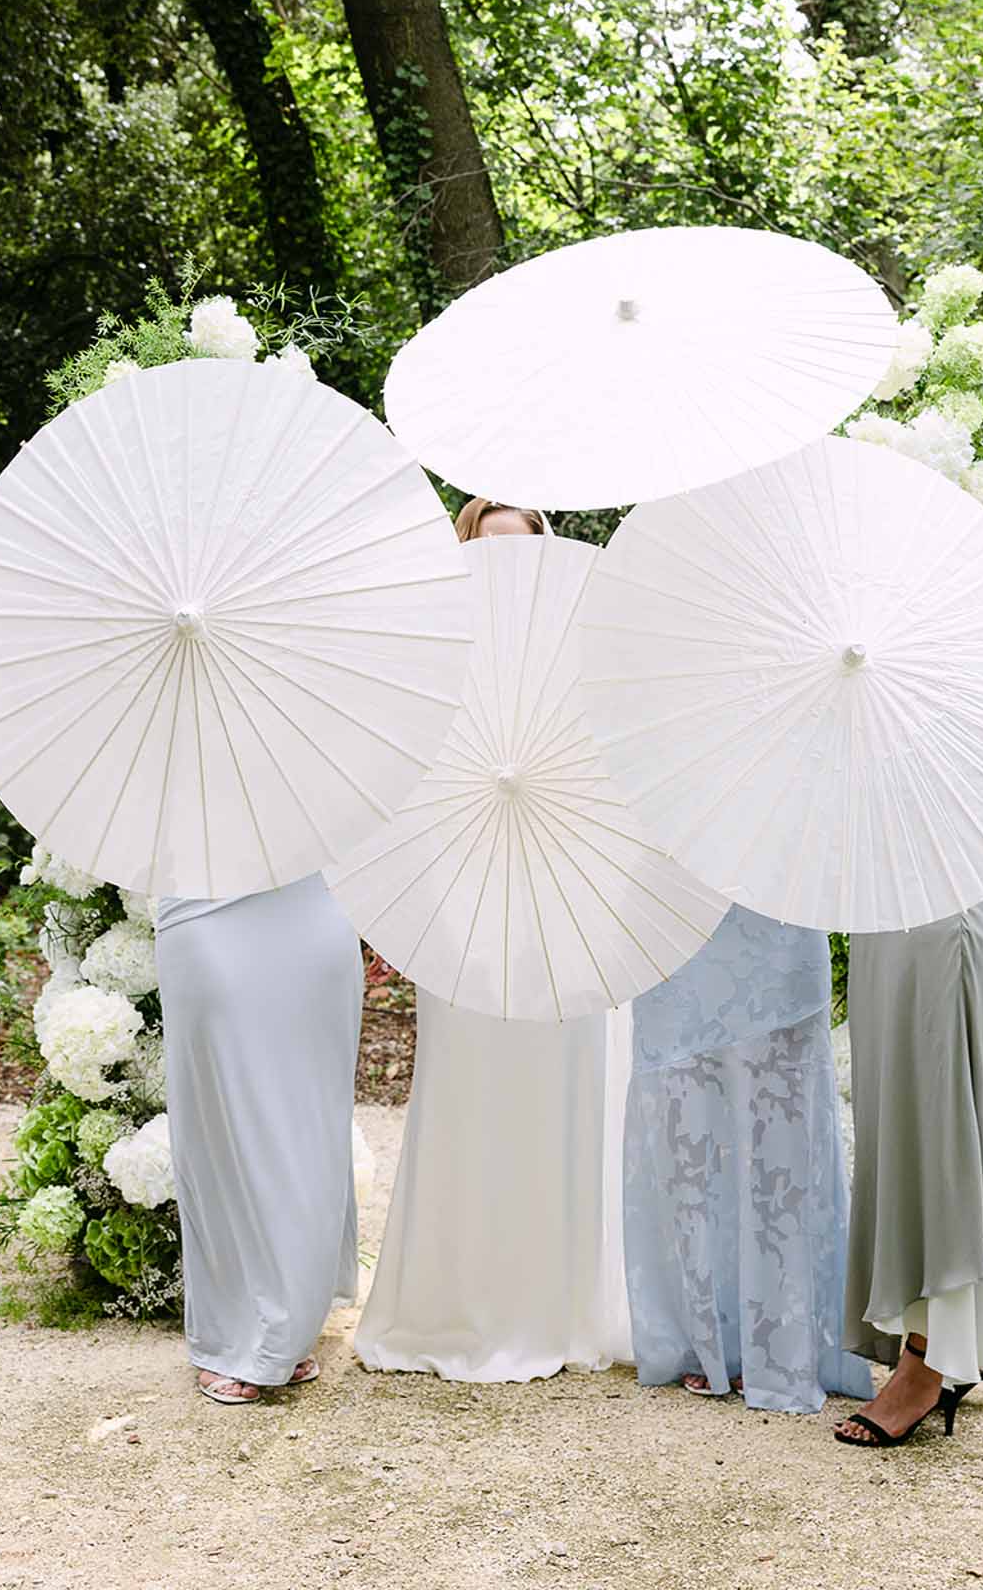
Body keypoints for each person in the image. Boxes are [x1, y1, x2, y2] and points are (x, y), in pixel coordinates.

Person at [354, 499, 630, 1381]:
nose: (510, 577)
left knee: (562, 1095)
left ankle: (558, 1299)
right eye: (490, 556)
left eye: (526, 557)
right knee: (471, 1094)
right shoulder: (430, 664)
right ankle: (458, 1301)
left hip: (568, 902)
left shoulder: (586, 658)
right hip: (464, 909)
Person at [624, 902, 871, 1413]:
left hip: (774, 905)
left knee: (777, 1121)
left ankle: (780, 1343)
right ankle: (706, 1336)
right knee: (686, 1115)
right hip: (675, 908)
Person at [155, 874, 363, 1405]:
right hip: (205, 911)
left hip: (310, 909)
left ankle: (286, 1326)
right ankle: (241, 1332)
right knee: (222, 1132)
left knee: (307, 1125)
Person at [834, 893, 983, 1446]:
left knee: (939, 1132)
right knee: (897, 1123)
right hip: (880, 916)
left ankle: (927, 1362)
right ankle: (973, 1337)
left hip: (941, 915)